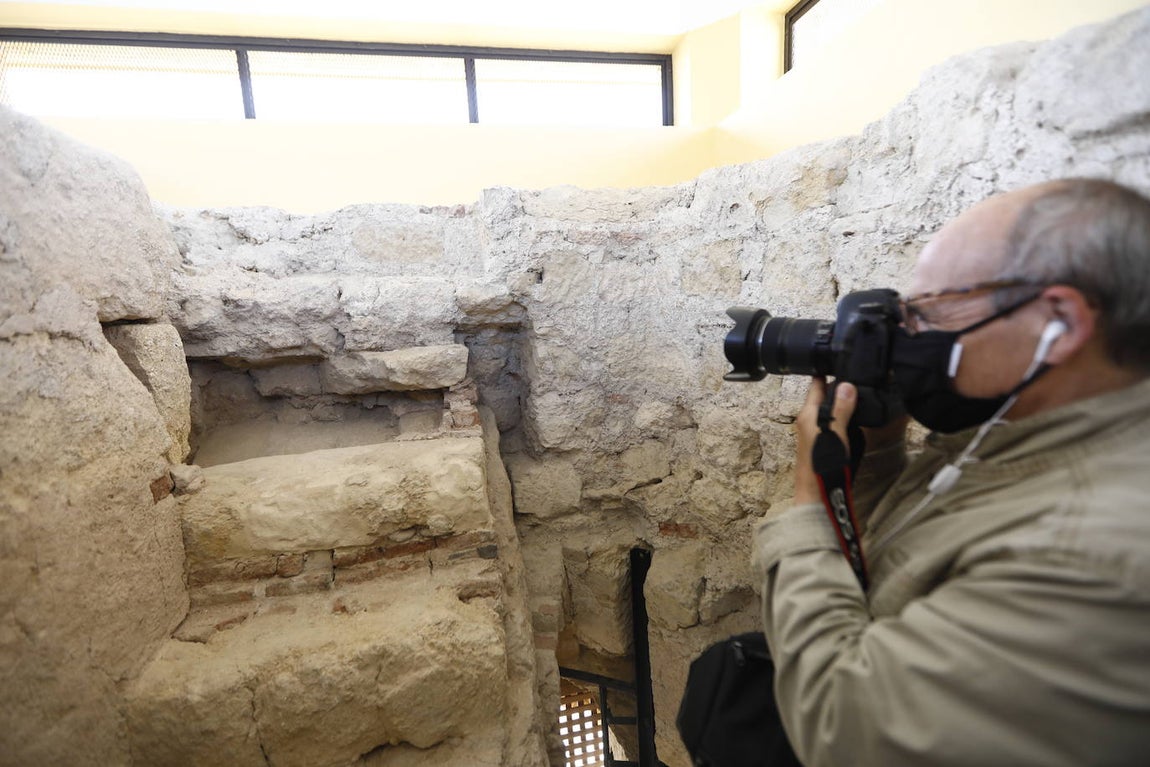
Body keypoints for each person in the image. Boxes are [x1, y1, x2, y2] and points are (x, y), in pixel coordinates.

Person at [751, 178, 1150, 766]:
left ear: (1059, 323)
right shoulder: (1015, 441)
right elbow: (894, 570)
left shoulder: (1085, 553)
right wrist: (878, 451)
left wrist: (811, 499)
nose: (910, 337)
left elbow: (846, 730)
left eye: (930, 312)